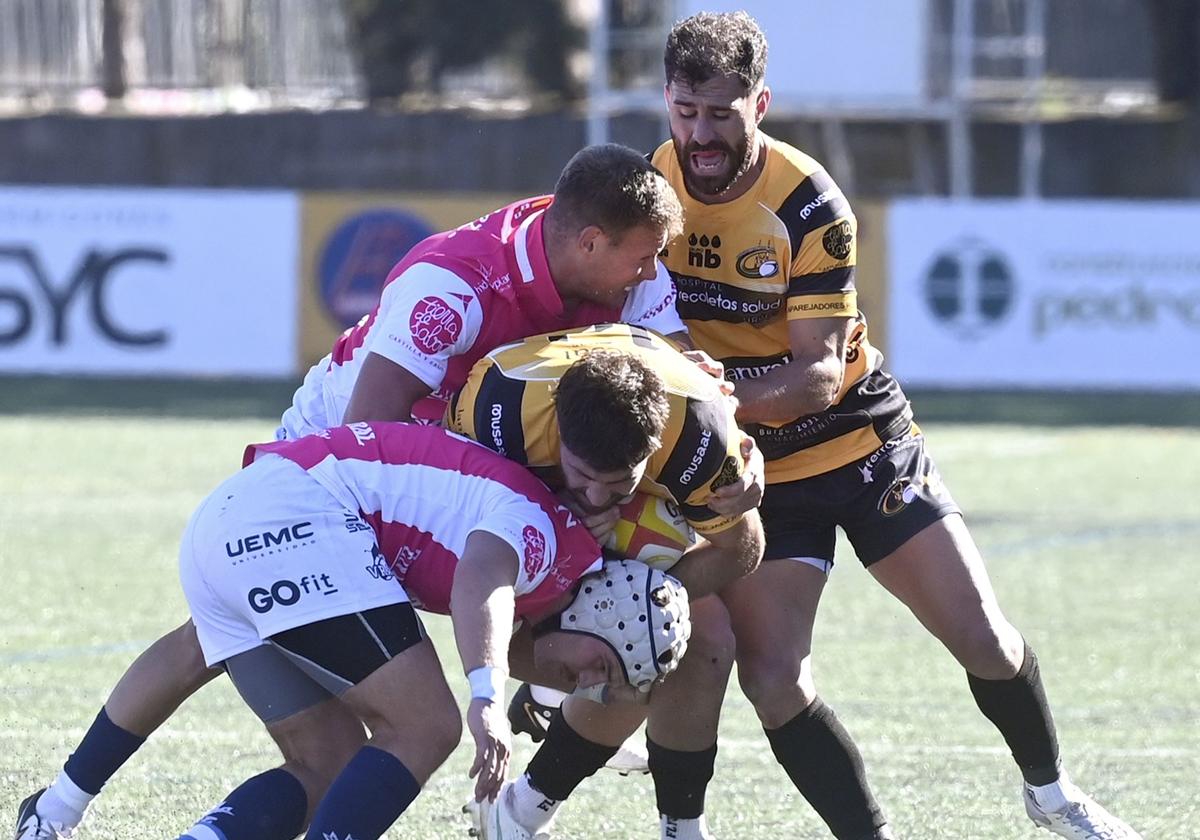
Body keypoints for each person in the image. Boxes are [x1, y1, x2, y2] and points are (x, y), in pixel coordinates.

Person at [490, 11, 1143, 840]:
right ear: (666, 101)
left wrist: (700, 399)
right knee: (772, 677)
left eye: (722, 114)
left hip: (861, 445)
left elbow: (817, 377)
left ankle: (1050, 793)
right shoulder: (648, 191)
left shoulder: (808, 204)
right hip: (748, 468)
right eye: (686, 112)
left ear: (760, 102)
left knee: (982, 636)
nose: (702, 135)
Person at [13, 143, 712, 840]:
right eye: (643, 258)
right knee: (405, 714)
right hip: (339, 464)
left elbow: (669, 395)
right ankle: (62, 805)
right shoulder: (455, 283)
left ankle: (56, 810)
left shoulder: (630, 273)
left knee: (328, 759)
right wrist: (486, 683)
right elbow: (369, 436)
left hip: (358, 489)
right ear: (590, 243)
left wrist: (717, 439)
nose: (653, 276)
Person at [178, 422, 693, 840]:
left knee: (327, 759)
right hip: (296, 516)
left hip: (249, 512)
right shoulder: (549, 546)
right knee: (424, 726)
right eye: (600, 669)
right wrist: (487, 699)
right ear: (601, 611)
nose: (583, 683)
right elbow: (481, 582)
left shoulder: (556, 563)